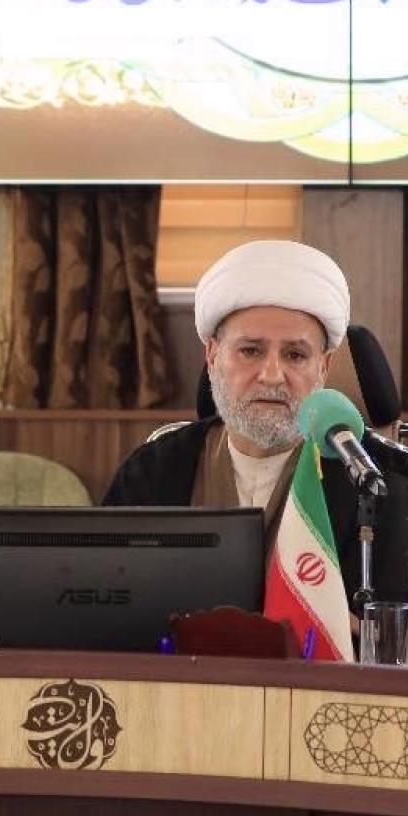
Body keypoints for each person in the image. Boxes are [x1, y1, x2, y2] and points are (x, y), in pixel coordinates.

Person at [103, 238, 367, 606]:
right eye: (251, 351)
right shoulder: (152, 471)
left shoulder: (369, 479)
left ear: (323, 367)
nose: (272, 375)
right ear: (213, 356)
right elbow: (110, 597)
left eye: (295, 355)